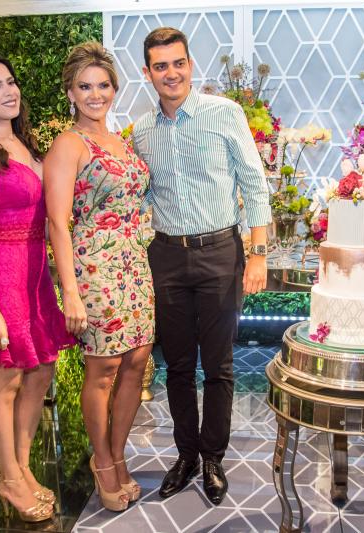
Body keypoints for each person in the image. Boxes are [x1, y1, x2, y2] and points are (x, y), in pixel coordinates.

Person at [132, 27, 271, 506]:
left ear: (190, 65)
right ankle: (186, 455)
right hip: (166, 256)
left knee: (218, 365)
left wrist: (258, 253)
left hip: (219, 253)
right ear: (147, 72)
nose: (171, 73)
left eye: (178, 63)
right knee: (176, 366)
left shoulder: (223, 113)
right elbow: (142, 197)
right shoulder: (142, 130)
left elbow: (254, 183)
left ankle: (213, 457)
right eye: (160, 66)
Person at [0, 54, 76, 523]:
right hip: (0, 278)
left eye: (11, 82)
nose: (9, 91)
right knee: (4, 382)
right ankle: (7, 476)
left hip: (35, 276)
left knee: (40, 374)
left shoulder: (25, 146)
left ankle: (21, 467)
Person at [45, 42, 154, 513]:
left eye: (103, 85)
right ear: (70, 92)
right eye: (85, 86)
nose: (96, 94)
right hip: (95, 267)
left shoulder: (121, 141)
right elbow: (57, 223)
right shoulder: (68, 144)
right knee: (104, 368)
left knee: (138, 361)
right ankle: (103, 461)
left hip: (135, 264)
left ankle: (118, 453)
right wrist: (70, 291)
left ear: (114, 88)